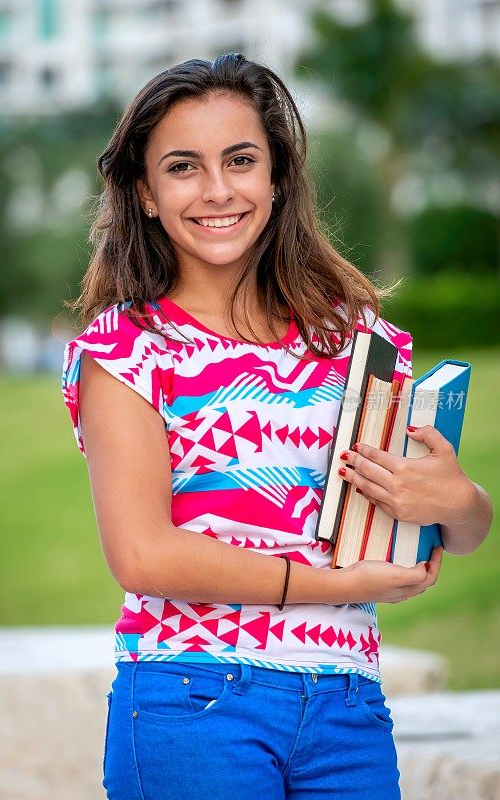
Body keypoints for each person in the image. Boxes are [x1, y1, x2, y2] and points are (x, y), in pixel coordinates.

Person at [61, 53, 493, 800]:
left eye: (240, 160)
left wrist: (456, 501)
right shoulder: (126, 350)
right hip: (194, 702)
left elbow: (456, 528)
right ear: (147, 193)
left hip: (349, 706)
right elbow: (142, 555)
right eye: (183, 167)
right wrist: (338, 583)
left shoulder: (354, 339)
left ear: (277, 177)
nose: (218, 189)